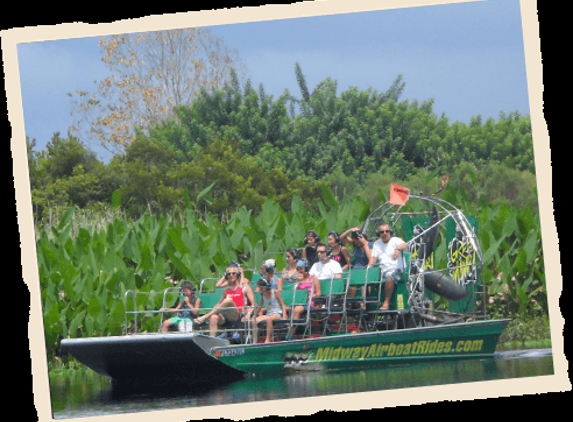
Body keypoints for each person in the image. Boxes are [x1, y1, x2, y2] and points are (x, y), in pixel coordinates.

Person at [194, 264, 256, 338]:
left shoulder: (245, 287)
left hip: (237, 314)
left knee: (228, 300)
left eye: (233, 273)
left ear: (237, 274)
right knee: (214, 317)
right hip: (226, 315)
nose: (231, 275)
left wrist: (248, 314)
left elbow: (253, 304)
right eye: (229, 274)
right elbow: (220, 303)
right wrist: (214, 310)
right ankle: (212, 340)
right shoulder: (227, 289)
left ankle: (206, 316)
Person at [368, 223, 408, 310]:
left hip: (397, 269)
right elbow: (373, 258)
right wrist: (369, 268)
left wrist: (397, 250)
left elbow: (404, 245)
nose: (384, 233)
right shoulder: (377, 244)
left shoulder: (396, 240)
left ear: (390, 232)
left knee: (389, 278)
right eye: (382, 232)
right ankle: (365, 303)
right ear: (379, 234)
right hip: (382, 270)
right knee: (367, 277)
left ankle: (386, 302)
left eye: (387, 231)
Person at [287, 259, 321, 339]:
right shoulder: (299, 280)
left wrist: (311, 296)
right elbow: (294, 292)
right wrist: (298, 282)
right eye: (298, 269)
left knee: (297, 309)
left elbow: (319, 293)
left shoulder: (313, 279)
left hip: (309, 302)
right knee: (287, 308)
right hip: (298, 301)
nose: (299, 271)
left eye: (301, 269)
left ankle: (290, 333)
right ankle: (287, 328)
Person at [252, 279, 288, 343]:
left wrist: (284, 316)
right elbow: (260, 307)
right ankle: (254, 341)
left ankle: (267, 339)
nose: (260, 289)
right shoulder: (263, 295)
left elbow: (282, 305)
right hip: (269, 313)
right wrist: (253, 316)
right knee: (254, 321)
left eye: (260, 288)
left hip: (277, 313)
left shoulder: (275, 292)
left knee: (269, 319)